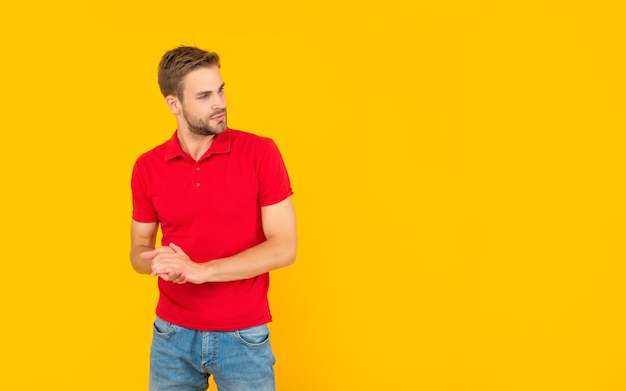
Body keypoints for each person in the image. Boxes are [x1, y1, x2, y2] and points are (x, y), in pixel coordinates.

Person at [130, 45, 297, 391]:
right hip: (171, 337)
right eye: (204, 96)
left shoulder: (260, 153)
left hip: (243, 337)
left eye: (220, 90)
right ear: (174, 104)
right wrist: (159, 263)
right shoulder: (147, 167)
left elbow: (284, 247)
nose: (219, 103)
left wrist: (202, 271)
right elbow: (138, 251)